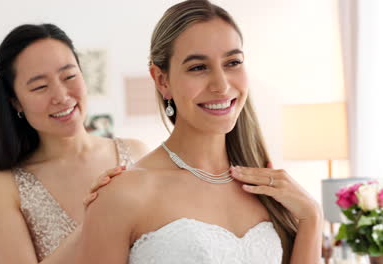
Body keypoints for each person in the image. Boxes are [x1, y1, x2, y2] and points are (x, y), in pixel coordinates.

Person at [72, 1, 323, 263]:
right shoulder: (124, 194)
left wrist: (311, 218)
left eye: (233, 62)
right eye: (198, 67)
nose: (222, 85)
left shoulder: (266, 188)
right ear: (162, 80)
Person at [0, 24, 148, 263]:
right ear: (16, 102)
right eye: (40, 87)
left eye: (69, 76)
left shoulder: (135, 153)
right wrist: (92, 220)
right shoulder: (4, 186)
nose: (62, 96)